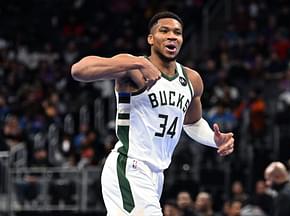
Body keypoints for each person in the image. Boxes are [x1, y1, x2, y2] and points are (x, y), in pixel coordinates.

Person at [71, 11, 235, 215]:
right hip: (129, 165)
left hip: (156, 174)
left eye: (177, 32)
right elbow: (79, 70)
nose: (172, 36)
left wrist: (214, 140)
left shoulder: (192, 79)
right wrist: (138, 63)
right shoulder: (133, 67)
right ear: (151, 38)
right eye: (164, 31)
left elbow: (192, 123)